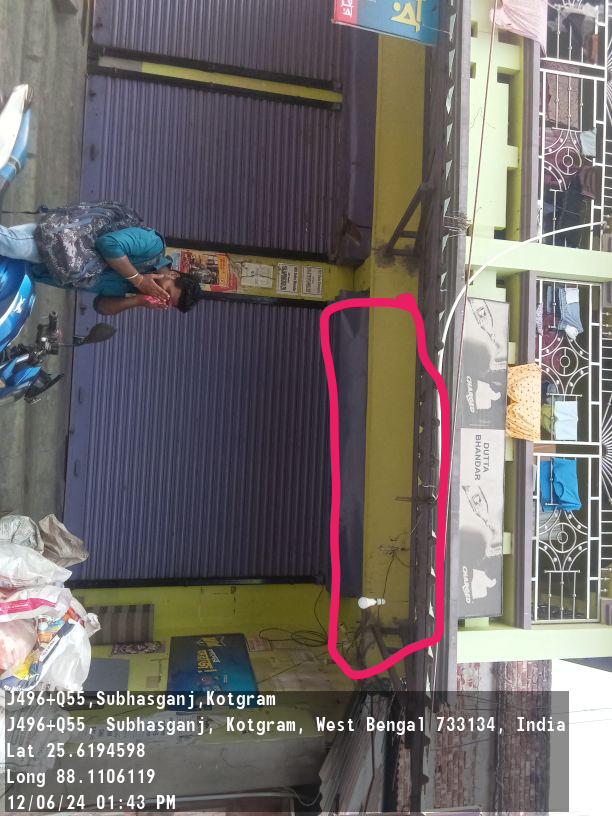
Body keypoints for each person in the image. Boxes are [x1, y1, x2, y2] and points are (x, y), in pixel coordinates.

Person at [0, 219, 202, 316]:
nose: (159, 295)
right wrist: (139, 279)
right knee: (7, 243)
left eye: (164, 300)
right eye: (166, 292)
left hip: (40, 273)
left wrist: (138, 300)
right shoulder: (153, 246)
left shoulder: (138, 291)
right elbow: (108, 243)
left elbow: (101, 306)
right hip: (52, 244)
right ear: (173, 274)